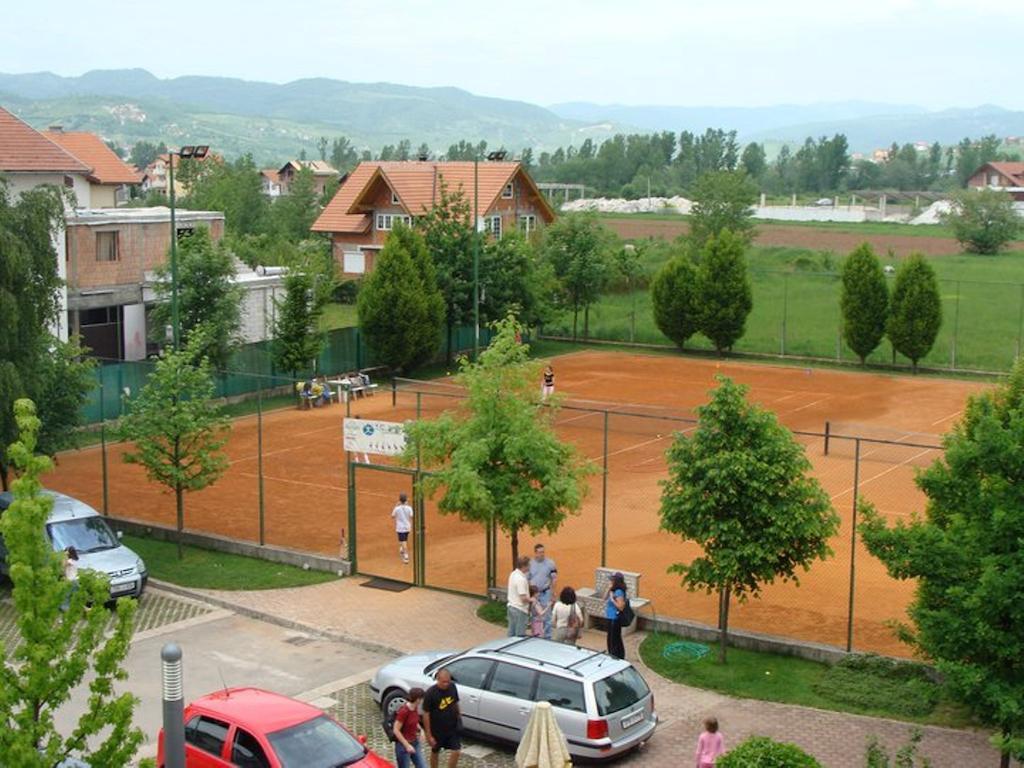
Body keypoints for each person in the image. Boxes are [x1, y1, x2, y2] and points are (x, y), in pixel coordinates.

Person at [423, 669, 461, 768]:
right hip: (437, 729)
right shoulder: (430, 693)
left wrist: (459, 716)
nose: (446, 684)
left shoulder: (452, 687)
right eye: (444, 682)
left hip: (452, 727)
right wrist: (428, 734)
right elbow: (426, 714)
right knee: (435, 752)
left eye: (448, 681)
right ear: (438, 679)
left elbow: (455, 702)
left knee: (456, 751)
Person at [528, 542, 557, 639]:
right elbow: (527, 578)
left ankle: (548, 637)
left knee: (547, 615)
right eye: (539, 552)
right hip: (534, 593)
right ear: (535, 553)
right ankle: (535, 634)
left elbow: (554, 578)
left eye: (543, 552)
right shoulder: (530, 564)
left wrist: (553, 592)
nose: (542, 554)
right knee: (534, 615)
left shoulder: (550, 563)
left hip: (545, 592)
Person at [393, 687, 427, 768]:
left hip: (415, 742)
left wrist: (421, 730)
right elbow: (396, 730)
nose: (422, 701)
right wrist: (407, 745)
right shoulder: (404, 711)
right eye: (422, 698)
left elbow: (415, 721)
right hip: (403, 746)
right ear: (418, 699)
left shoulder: (414, 707)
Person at [604, 571, 628, 659]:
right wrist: (608, 589)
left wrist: (613, 600)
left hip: (614, 618)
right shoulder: (613, 590)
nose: (610, 581)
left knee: (613, 639)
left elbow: (621, 607)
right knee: (611, 638)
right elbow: (604, 598)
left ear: (616, 581)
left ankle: (615, 656)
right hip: (610, 617)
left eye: (612, 580)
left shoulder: (618, 592)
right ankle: (616, 655)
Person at [506, 555, 531, 637]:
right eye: (528, 565)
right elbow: (523, 598)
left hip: (511, 607)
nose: (530, 566)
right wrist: (532, 600)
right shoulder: (521, 579)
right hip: (519, 610)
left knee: (511, 633)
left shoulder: (513, 574)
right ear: (524, 566)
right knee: (519, 636)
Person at [392, 492, 414, 564]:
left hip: (400, 528)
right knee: (404, 540)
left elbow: (392, 516)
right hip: (408, 527)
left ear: (399, 500)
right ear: (406, 500)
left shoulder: (397, 508)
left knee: (403, 541)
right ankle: (402, 549)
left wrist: (396, 506)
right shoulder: (409, 508)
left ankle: (406, 556)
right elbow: (411, 516)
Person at [60, 546, 79, 612]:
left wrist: (64, 556)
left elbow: (62, 565)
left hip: (71, 581)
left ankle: (66, 610)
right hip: (75, 580)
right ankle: (85, 610)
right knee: (74, 598)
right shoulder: (75, 560)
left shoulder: (70, 561)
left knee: (66, 597)